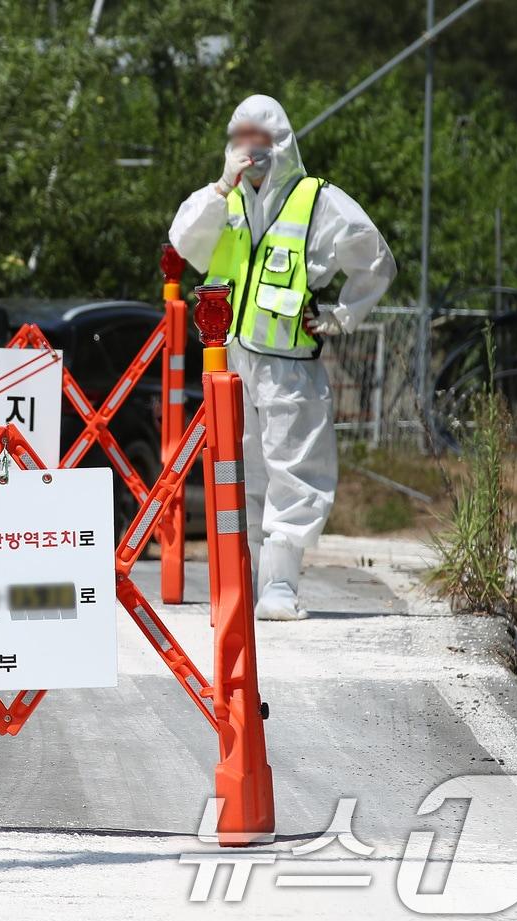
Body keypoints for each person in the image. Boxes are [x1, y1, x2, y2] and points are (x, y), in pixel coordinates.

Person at [169, 94, 396, 620]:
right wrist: (222, 185)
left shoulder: (318, 202)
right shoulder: (223, 199)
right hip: (227, 363)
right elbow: (183, 242)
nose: (250, 150)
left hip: (288, 365)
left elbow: (376, 260)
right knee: (238, 472)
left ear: (283, 143)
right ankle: (242, 581)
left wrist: (342, 315)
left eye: (260, 139)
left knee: (293, 471)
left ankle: (281, 587)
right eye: (240, 139)